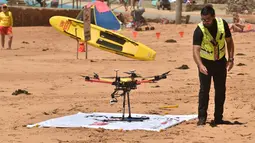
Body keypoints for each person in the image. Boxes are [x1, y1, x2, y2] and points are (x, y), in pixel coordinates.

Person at [192, 5, 235, 126]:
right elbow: (195, 50)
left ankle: (218, 118)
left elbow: (230, 42)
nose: (205, 22)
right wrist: (200, 65)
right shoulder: (199, 30)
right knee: (204, 90)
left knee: (220, 90)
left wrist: (231, 59)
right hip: (205, 63)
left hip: (220, 62)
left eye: (208, 20)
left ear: (214, 17)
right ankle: (202, 118)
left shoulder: (222, 24)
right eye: (203, 19)